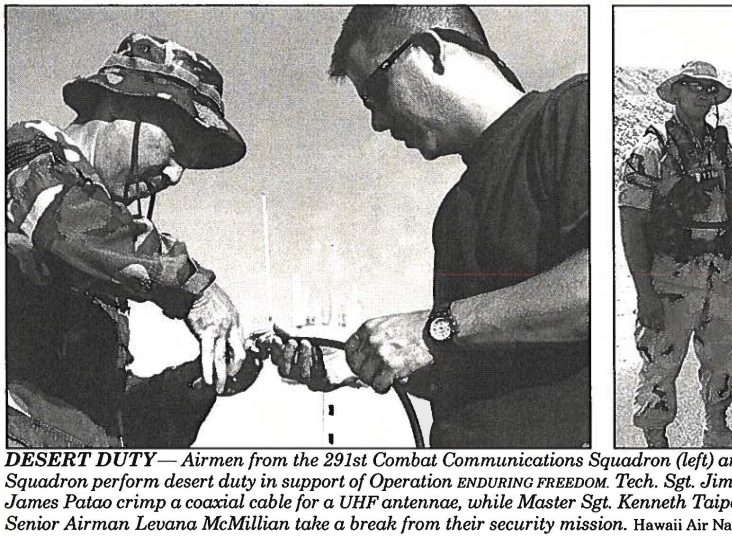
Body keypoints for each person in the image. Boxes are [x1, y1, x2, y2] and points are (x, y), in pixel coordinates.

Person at [259, 6, 590, 448]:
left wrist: (437, 328)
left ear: (431, 51)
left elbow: (604, 286)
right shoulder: (454, 212)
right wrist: (358, 365)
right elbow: (477, 364)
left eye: (375, 94)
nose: (377, 122)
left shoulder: (573, 111)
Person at [6, 32, 259, 447]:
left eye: (188, 164)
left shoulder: (104, 253)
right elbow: (65, 221)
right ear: (115, 101)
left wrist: (202, 379)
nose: (175, 175)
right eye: (176, 146)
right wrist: (194, 288)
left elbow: (111, 417)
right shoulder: (23, 152)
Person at [618, 61, 732, 448]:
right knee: (661, 362)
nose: (702, 95)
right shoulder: (652, 149)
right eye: (692, 87)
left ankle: (717, 429)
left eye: (709, 89)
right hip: (670, 275)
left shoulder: (723, 148)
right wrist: (644, 292)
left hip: (720, 271)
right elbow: (631, 221)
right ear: (676, 93)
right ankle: (656, 443)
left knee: (723, 358)